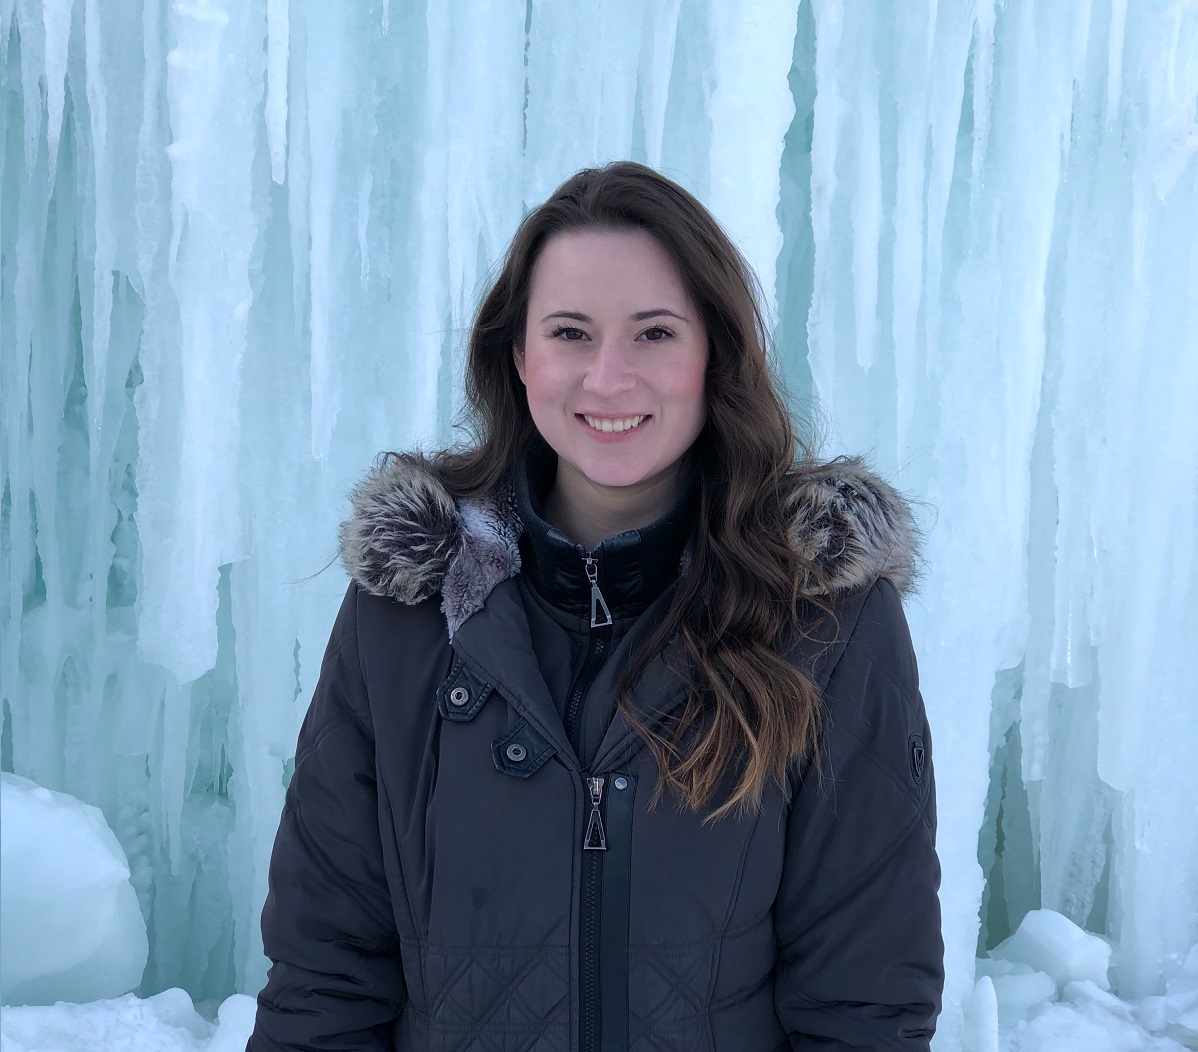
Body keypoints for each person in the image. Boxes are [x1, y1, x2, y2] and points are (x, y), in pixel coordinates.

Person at [247, 161, 943, 1052]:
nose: (608, 379)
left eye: (654, 333)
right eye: (570, 333)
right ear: (519, 357)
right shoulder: (407, 612)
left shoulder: (824, 619)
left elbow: (864, 1001)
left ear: (714, 356)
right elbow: (324, 978)